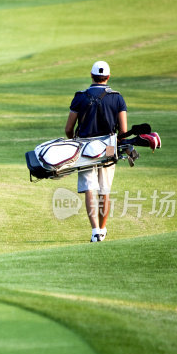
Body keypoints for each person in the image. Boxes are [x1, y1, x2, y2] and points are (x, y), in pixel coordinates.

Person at [64, 61, 128, 242]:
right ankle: (103, 228)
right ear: (108, 77)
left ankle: (95, 231)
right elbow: (123, 131)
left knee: (89, 188)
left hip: (84, 146)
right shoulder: (118, 98)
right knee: (104, 189)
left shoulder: (80, 97)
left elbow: (69, 128)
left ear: (91, 76)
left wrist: (73, 144)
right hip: (108, 146)